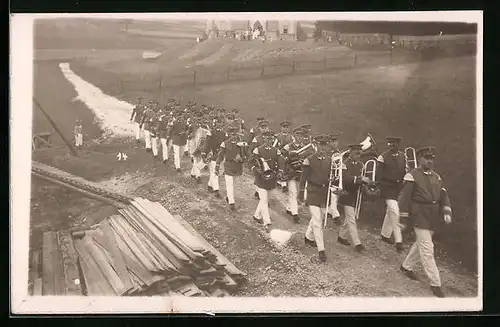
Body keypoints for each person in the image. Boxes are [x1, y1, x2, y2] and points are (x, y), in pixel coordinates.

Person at [398, 146, 452, 298]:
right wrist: (403, 217)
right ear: (420, 158)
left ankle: (406, 266)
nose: (430, 161)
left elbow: (444, 195)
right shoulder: (412, 175)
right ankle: (436, 283)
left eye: (432, 158)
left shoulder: (437, 177)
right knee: (428, 248)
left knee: (421, 244)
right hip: (419, 215)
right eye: (427, 158)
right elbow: (404, 198)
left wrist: (446, 211)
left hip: (433, 216)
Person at [299, 135, 333, 262]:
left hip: (324, 193)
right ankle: (321, 250)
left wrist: (332, 179)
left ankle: (308, 237)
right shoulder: (309, 160)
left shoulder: (329, 160)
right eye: (320, 145)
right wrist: (301, 193)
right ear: (316, 145)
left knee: (318, 217)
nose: (323, 148)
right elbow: (303, 179)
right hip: (313, 192)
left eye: (325, 145)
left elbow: (331, 176)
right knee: (318, 220)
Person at [250, 130, 286, 232]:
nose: (269, 140)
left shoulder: (276, 150)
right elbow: (251, 162)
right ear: (264, 138)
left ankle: (256, 216)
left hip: (271, 178)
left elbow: (281, 161)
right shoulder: (258, 150)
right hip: (260, 178)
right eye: (267, 138)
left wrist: (280, 170)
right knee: (264, 200)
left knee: (265, 199)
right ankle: (267, 222)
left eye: (271, 138)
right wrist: (255, 169)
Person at [337, 144, 370, 253]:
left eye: (360, 153)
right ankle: (357, 244)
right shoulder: (344, 164)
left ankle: (341, 236)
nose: (358, 155)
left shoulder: (361, 165)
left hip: (356, 194)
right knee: (351, 218)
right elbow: (346, 179)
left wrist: (368, 183)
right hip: (346, 194)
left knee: (350, 217)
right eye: (356, 153)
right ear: (350, 153)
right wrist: (361, 179)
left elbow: (363, 180)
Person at [376, 136, 407, 252]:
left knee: (390, 211)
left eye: (394, 143)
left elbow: (404, 171)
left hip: (398, 187)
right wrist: (379, 187)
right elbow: (378, 175)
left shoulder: (403, 156)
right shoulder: (382, 157)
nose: (392, 145)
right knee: (394, 210)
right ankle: (399, 240)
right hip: (387, 187)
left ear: (398, 144)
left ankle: (385, 234)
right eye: (390, 143)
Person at [215, 126, 248, 210]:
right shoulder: (225, 143)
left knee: (235, 185)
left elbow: (247, 155)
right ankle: (231, 203)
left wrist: (242, 159)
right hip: (229, 166)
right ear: (229, 134)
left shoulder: (242, 144)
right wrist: (217, 165)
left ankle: (229, 197)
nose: (234, 136)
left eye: (235, 134)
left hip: (238, 167)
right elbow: (220, 155)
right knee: (229, 185)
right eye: (232, 134)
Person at [281, 127, 306, 223]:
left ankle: (289, 207)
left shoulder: (305, 147)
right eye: (297, 135)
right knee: (293, 193)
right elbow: (282, 158)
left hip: (301, 173)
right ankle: (295, 214)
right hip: (291, 173)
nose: (299, 138)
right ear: (294, 136)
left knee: (299, 192)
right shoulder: (288, 147)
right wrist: (288, 158)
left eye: (301, 136)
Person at [202, 116, 228, 198]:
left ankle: (210, 185)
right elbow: (207, 143)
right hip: (212, 154)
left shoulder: (224, 133)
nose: (219, 125)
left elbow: (227, 144)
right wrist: (204, 153)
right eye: (217, 123)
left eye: (220, 123)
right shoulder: (211, 132)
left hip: (220, 155)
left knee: (217, 172)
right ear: (215, 123)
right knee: (214, 172)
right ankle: (216, 190)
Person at [274, 121, 295, 193]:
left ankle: (288, 180)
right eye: (284, 127)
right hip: (279, 154)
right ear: (281, 128)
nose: (285, 129)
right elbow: (274, 147)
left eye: (287, 127)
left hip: (289, 154)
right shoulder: (278, 136)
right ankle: (283, 184)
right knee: (282, 163)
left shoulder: (291, 137)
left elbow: (293, 146)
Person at [326, 133, 342, 225]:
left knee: (337, 193)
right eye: (332, 141)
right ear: (329, 143)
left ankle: (330, 210)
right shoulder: (327, 152)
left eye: (336, 141)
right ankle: (335, 214)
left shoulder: (339, 152)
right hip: (328, 175)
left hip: (337, 175)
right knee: (333, 193)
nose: (335, 143)